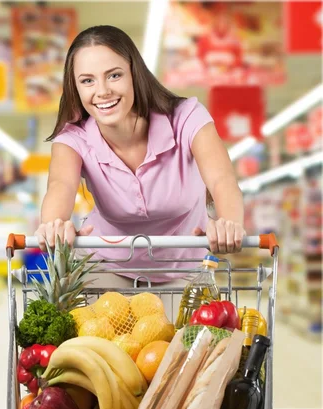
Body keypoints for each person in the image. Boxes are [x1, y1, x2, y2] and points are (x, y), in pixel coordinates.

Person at [34, 25, 245, 287]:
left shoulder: (186, 117)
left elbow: (222, 179)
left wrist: (229, 223)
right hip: (105, 269)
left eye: (114, 75)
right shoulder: (73, 139)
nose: (102, 91)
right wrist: (54, 224)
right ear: (75, 88)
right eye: (87, 80)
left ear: (135, 74)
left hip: (187, 270)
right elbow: (60, 185)